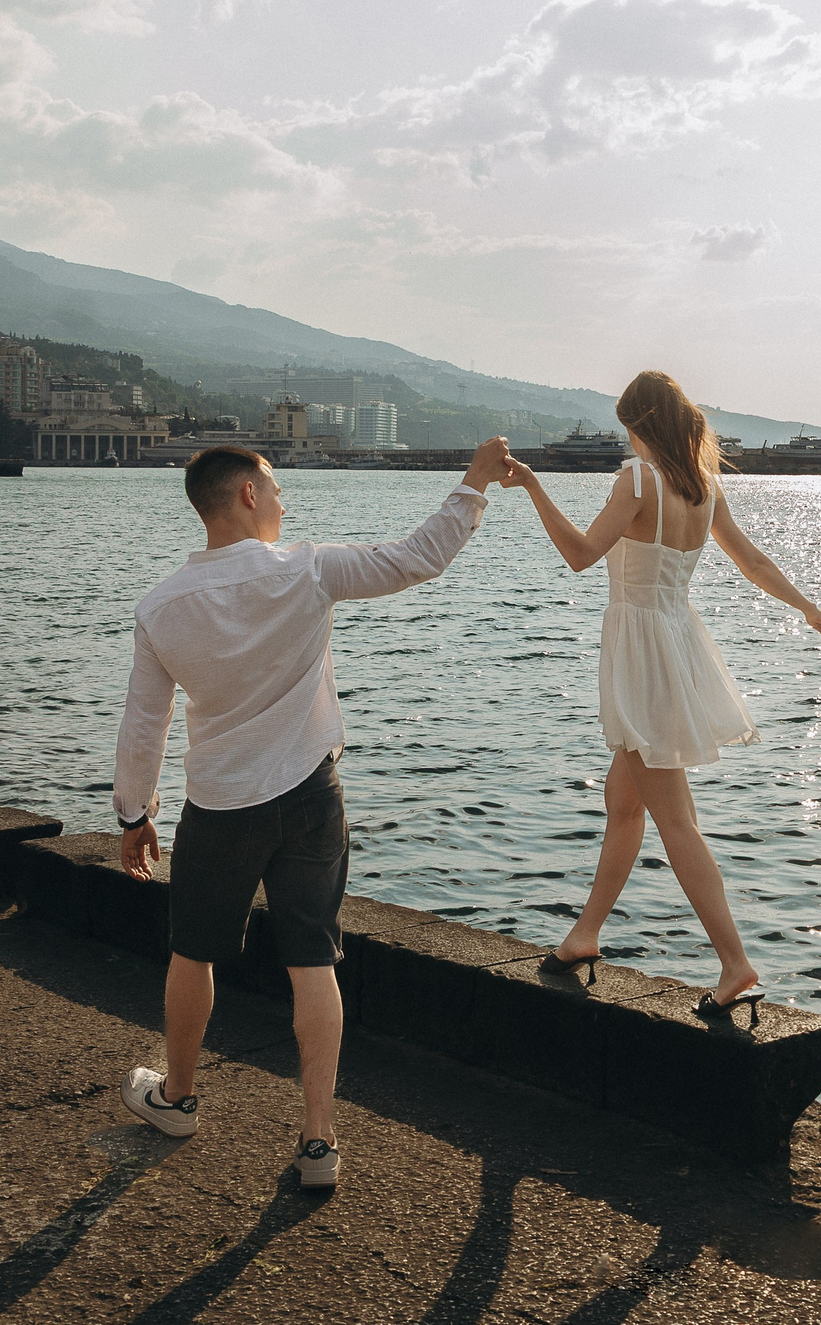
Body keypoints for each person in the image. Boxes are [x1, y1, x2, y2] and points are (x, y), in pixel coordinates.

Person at [111, 437, 511, 1189]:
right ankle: (319, 1141)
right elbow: (417, 557)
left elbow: (144, 722)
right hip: (310, 797)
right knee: (313, 960)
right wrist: (473, 484)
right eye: (276, 484)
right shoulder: (309, 569)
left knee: (192, 950)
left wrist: (135, 812)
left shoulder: (161, 606)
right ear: (248, 496)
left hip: (221, 804)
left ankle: (178, 1097)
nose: (286, 498)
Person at [500, 372, 821, 1012]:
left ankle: (735, 963)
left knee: (674, 818)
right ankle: (585, 935)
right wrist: (808, 606)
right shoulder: (703, 487)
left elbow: (580, 554)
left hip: (644, 655)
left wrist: (536, 489)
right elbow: (752, 561)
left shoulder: (638, 478)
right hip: (676, 643)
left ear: (637, 425)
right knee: (624, 804)